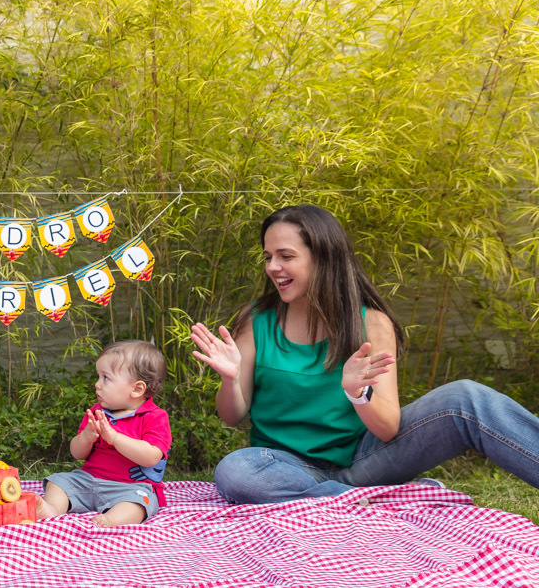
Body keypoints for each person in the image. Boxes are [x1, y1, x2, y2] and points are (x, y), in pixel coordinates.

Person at [190, 204, 539, 505]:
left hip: (368, 457)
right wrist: (230, 378)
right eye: (268, 257)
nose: (272, 267)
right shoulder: (256, 321)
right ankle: (368, 497)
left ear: (323, 258)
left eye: (286, 256)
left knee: (467, 398)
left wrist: (358, 393)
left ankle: (346, 494)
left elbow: (388, 429)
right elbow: (232, 416)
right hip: (286, 465)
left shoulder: (371, 324)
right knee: (236, 472)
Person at [37, 340, 172, 527]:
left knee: (141, 501)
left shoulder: (154, 417)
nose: (97, 385)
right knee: (59, 481)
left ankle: (110, 520)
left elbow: (151, 457)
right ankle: (51, 509)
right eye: (98, 377)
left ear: (137, 388)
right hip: (88, 481)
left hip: (129, 488)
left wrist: (115, 438)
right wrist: (86, 437)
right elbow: (77, 454)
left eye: (105, 378)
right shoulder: (98, 412)